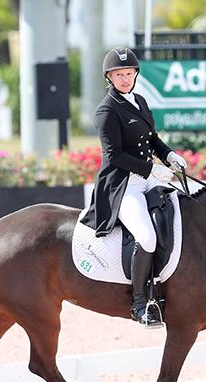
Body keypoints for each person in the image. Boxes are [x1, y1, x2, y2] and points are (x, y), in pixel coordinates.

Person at [80, 47, 188, 328]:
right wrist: (153, 169)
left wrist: (169, 156)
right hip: (122, 185)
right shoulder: (106, 110)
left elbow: (151, 139)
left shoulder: (139, 101)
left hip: (147, 179)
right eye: (119, 74)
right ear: (110, 77)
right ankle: (140, 303)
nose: (125, 78)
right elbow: (114, 155)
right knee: (147, 237)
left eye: (129, 73)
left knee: (184, 216)